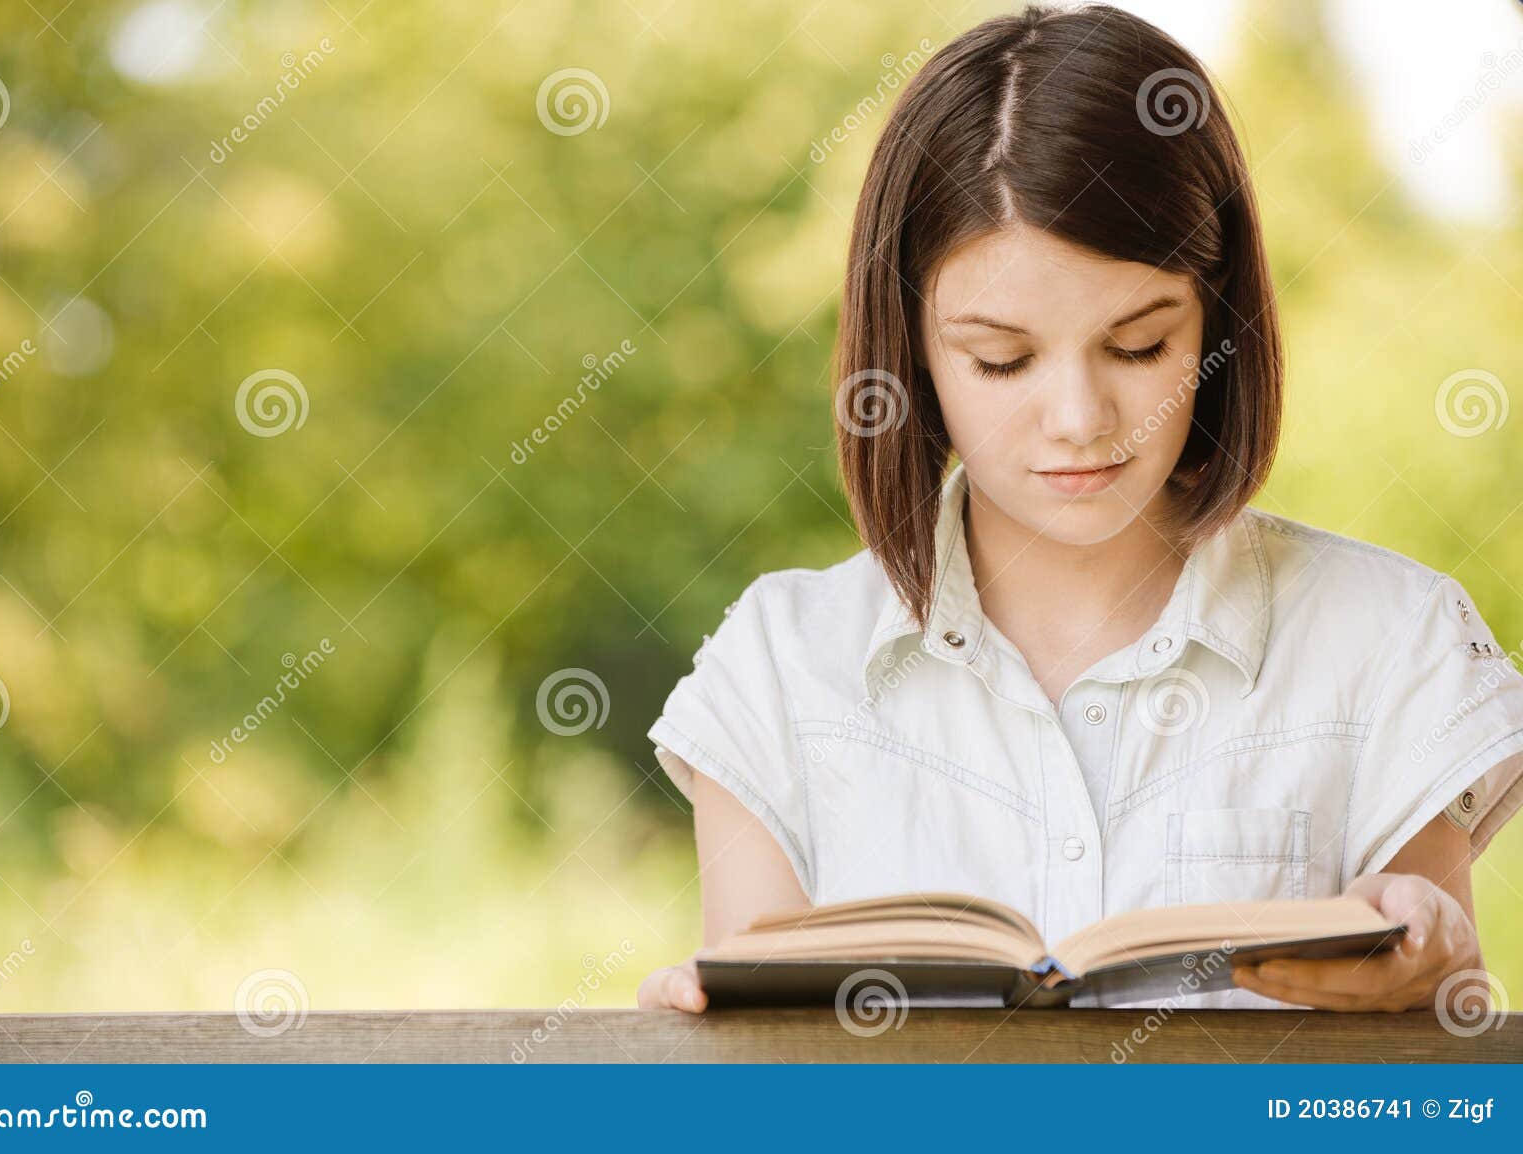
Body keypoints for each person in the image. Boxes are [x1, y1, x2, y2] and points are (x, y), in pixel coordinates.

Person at [637, 2, 1523, 1013]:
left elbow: (1449, 1099)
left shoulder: (1390, 641)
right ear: (911, 349)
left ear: (1220, 321)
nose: (1078, 418)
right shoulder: (779, 671)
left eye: (1139, 345)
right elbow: (767, 1089)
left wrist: (1438, 971)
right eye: (1001, 359)